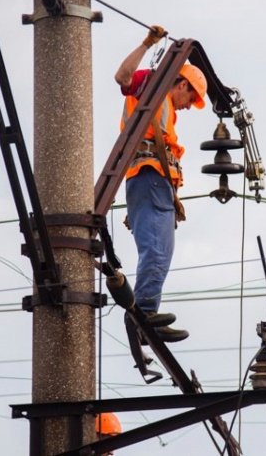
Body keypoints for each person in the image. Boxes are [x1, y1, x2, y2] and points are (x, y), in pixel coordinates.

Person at [114, 25, 207, 343]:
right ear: (180, 83)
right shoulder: (151, 87)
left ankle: (146, 314)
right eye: (189, 97)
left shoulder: (164, 106)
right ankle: (144, 315)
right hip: (150, 179)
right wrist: (146, 44)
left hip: (156, 184)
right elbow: (122, 77)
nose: (187, 105)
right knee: (156, 250)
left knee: (162, 252)